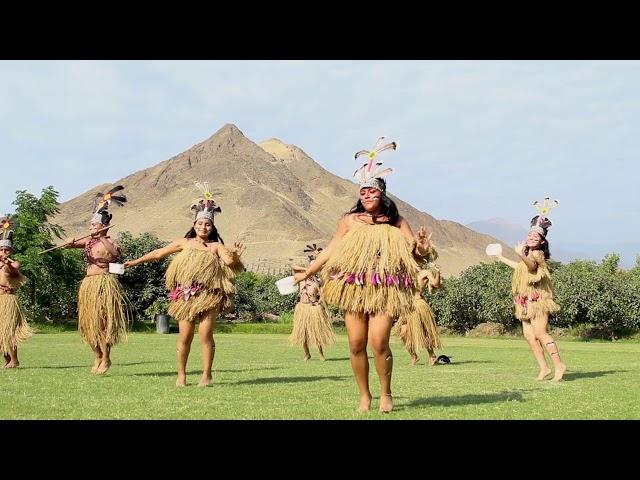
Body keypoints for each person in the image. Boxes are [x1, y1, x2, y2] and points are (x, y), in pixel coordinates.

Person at [293, 137, 435, 413]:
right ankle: (364, 395)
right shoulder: (349, 220)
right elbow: (331, 250)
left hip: (385, 289)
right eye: (363, 192)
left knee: (379, 342)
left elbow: (414, 256)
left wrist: (421, 248)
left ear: (383, 194)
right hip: (354, 288)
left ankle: (385, 392)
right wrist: (308, 271)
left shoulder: (396, 222)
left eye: (372, 192)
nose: (368, 196)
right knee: (357, 344)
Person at [125, 181, 245, 387]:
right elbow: (157, 254)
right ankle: (181, 375)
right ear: (194, 225)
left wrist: (234, 254)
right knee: (184, 337)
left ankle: (206, 375)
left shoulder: (216, 246)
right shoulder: (184, 243)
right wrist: (136, 261)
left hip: (210, 296)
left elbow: (232, 265)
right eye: (200, 224)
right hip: (185, 296)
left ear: (212, 226)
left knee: (205, 335)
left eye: (207, 224)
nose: (203, 227)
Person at [493, 197, 566, 381]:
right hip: (524, 302)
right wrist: (501, 257)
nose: (532, 237)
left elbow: (532, 267)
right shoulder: (527, 254)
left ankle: (559, 365)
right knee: (529, 336)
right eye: (530, 235)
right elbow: (521, 267)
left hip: (537, 301)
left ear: (542, 241)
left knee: (540, 333)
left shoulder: (537, 254)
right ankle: (544, 368)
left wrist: (520, 253)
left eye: (536, 236)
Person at [64, 186, 129, 375]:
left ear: (103, 226)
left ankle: (106, 357)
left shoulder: (111, 242)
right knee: (89, 324)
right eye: (90, 225)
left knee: (102, 322)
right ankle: (97, 355)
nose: (91, 228)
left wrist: (102, 237)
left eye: (94, 225)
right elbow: (71, 244)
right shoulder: (88, 242)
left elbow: (115, 254)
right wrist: (70, 242)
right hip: (88, 285)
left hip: (104, 284)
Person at [290, 244, 335, 361]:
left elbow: (328, 272)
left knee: (317, 333)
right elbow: (294, 267)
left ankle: (321, 354)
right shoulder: (301, 278)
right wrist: (308, 271)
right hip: (302, 308)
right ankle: (307, 354)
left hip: (313, 308)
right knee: (302, 334)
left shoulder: (318, 282)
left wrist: (319, 257)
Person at [0, 215, 33, 368]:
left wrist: (7, 263)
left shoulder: (13, 263)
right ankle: (7, 360)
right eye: (1, 249)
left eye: (6, 249)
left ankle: (14, 359)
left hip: (8, 300)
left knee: (9, 330)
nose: (4, 251)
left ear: (11, 250)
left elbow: (14, 271)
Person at [393, 264, 442, 366]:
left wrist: (437, 272)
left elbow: (436, 285)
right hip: (407, 307)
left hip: (419, 305)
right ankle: (414, 356)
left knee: (424, 333)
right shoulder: (403, 274)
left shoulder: (424, 273)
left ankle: (432, 356)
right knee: (403, 333)